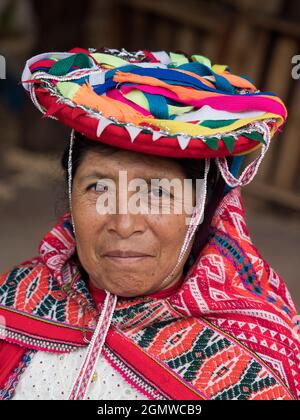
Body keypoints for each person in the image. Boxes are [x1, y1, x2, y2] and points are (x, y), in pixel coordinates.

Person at [0, 47, 299, 400]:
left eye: (158, 191)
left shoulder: (259, 356)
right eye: (98, 187)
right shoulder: (15, 301)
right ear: (70, 195)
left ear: (202, 209)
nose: (124, 224)